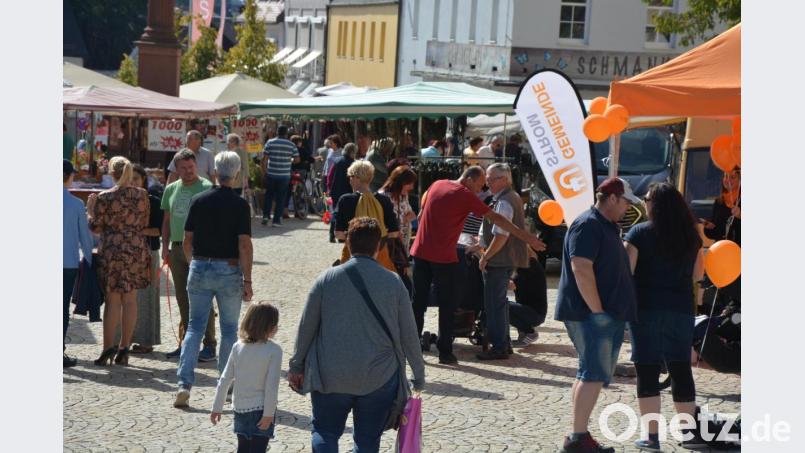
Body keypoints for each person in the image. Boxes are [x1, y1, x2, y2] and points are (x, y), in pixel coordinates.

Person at [288, 217, 426, 453]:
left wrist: (296, 365)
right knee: (367, 440)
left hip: (330, 375)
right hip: (379, 377)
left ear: (349, 245)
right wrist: (419, 373)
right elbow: (409, 334)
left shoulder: (326, 280)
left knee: (325, 432)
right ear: (379, 247)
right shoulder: (394, 283)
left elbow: (306, 328)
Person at [410, 166, 545, 365]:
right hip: (443, 258)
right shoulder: (465, 195)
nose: (483, 190)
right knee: (448, 305)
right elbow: (498, 220)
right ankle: (445, 352)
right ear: (471, 180)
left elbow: (421, 215)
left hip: (420, 252)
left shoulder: (436, 184)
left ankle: (412, 348)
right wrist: (527, 238)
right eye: (481, 185)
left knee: (418, 303)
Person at [555, 177, 640, 453]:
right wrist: (598, 310)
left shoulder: (602, 225)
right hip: (591, 314)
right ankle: (577, 438)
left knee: (588, 372)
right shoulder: (589, 224)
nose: (628, 208)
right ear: (613, 198)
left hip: (597, 313)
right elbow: (581, 267)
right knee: (592, 373)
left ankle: (578, 434)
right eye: (626, 202)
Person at [623, 183, 707, 451]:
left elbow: (627, 272)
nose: (644, 203)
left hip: (645, 309)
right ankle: (690, 434)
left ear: (653, 204)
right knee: (680, 369)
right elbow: (697, 276)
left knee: (646, 370)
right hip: (681, 310)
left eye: (646, 199)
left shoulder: (638, 232)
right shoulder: (692, 237)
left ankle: (652, 437)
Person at [175, 151, 254, 408]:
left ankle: (184, 384)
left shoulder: (198, 200)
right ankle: (226, 385)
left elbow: (187, 241)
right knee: (230, 329)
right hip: (228, 269)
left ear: (216, 172)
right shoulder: (241, 205)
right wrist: (248, 280)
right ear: (237, 173)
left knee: (194, 327)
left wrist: (193, 264)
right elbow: (244, 245)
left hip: (199, 265)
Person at [87, 157, 151, 367]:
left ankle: (108, 348)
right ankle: (124, 348)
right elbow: (144, 222)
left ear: (112, 174)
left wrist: (90, 209)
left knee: (113, 300)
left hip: (113, 249)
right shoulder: (142, 195)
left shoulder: (105, 197)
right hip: (135, 248)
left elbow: (95, 227)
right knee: (130, 299)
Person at [161, 150, 217, 360]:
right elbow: (166, 220)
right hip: (176, 249)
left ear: (196, 166)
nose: (187, 172)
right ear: (177, 169)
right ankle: (186, 342)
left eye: (190, 167)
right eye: (183, 168)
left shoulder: (207, 187)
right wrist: (164, 245)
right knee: (183, 297)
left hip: (199, 250)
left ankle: (210, 344)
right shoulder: (171, 189)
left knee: (202, 296)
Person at [210, 303, 281, 453]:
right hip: (261, 409)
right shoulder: (274, 350)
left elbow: (225, 379)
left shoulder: (237, 346)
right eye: (275, 323)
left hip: (240, 409)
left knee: (243, 448)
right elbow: (271, 385)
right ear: (269, 327)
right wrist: (269, 413)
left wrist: (217, 407)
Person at [476, 163, 530, 360]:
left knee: (494, 304)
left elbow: (501, 235)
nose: (487, 182)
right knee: (499, 303)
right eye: (487, 179)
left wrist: (485, 255)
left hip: (499, 260)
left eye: (492, 179)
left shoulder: (505, 201)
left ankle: (499, 346)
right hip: (505, 259)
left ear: (504, 179)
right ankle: (503, 344)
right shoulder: (508, 197)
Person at [335, 161, 402, 275]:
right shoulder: (384, 201)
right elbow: (394, 232)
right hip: (380, 255)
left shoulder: (346, 200)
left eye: (350, 177)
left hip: (352, 255)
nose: (349, 180)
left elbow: (338, 234)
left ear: (356, 177)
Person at [130, 165, 164, 354]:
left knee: (147, 297)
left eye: (136, 178)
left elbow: (158, 230)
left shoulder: (153, 201)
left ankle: (146, 341)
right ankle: (126, 338)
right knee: (128, 297)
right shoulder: (123, 201)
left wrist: (135, 231)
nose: (133, 181)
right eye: (130, 178)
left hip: (149, 252)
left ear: (143, 179)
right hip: (128, 255)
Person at [63, 160, 94, 367]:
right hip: (67, 263)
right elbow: (85, 237)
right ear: (68, 176)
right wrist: (90, 261)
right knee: (61, 308)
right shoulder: (75, 204)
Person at [261, 125, 300, 226]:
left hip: (271, 173)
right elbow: (297, 160)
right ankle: (276, 220)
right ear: (286, 133)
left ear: (277, 132)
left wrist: (265, 171)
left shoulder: (270, 142)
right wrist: (289, 160)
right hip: (284, 175)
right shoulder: (291, 145)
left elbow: (264, 159)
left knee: (269, 195)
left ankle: (266, 215)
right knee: (280, 197)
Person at [509, 248, 548, 347]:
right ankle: (524, 333)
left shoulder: (529, 267)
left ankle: (529, 332)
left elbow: (512, 285)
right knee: (507, 305)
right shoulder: (529, 263)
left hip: (534, 314)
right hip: (530, 311)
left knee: (503, 306)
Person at [378, 166, 418, 255]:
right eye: (409, 183)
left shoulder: (403, 195)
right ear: (400, 182)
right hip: (389, 245)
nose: (412, 187)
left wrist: (408, 218)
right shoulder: (382, 197)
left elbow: (412, 215)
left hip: (403, 244)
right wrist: (403, 219)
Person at [327, 143, 358, 243]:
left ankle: (332, 233)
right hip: (347, 191)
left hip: (335, 190)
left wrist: (328, 187)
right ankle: (342, 236)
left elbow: (330, 176)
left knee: (335, 212)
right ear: (352, 152)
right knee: (345, 214)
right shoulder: (353, 163)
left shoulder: (336, 160)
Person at [702, 167, 741, 245]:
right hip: (721, 250)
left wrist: (740, 215)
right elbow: (713, 234)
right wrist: (709, 227)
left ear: (740, 180)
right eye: (725, 176)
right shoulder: (719, 202)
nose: (728, 180)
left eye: (732, 177)